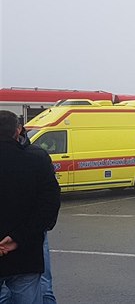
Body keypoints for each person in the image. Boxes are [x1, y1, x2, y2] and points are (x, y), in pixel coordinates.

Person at [0, 110, 61, 303]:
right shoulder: (37, 159)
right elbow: (49, 206)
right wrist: (18, 238)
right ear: (17, 131)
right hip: (25, 254)